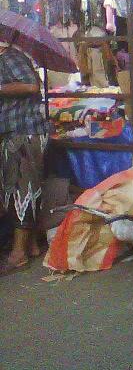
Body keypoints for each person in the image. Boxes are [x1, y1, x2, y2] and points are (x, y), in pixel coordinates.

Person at [0, 43, 48, 275]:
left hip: (23, 131)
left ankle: (19, 254)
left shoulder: (9, 57)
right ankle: (31, 245)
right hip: (15, 131)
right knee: (19, 187)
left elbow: (31, 85)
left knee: (22, 188)